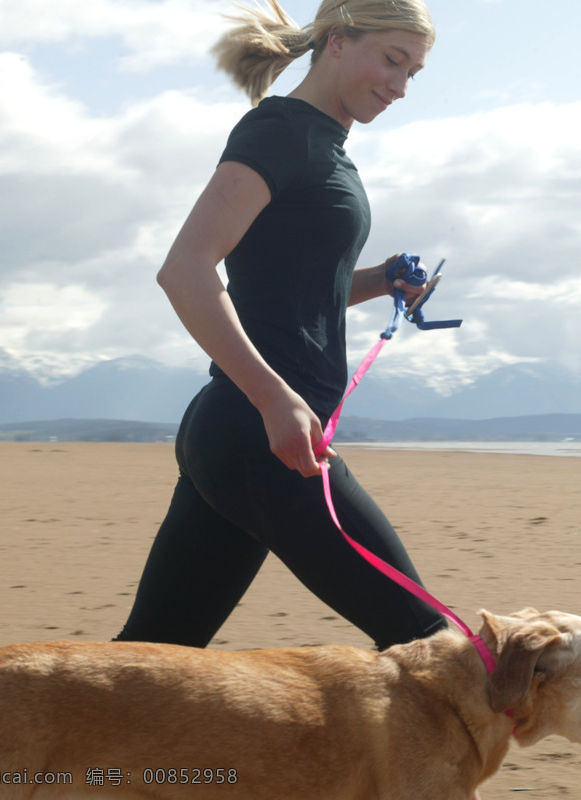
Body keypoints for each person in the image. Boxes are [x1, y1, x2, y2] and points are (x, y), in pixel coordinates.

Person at [114, 0, 445, 651]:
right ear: (338, 41)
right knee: (429, 643)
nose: (401, 87)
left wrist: (383, 280)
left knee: (155, 655)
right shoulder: (279, 133)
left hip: (247, 436)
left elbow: (293, 291)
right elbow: (185, 270)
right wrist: (274, 399)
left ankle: (24, 749)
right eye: (392, 60)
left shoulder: (328, 147)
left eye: (415, 73)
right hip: (260, 435)